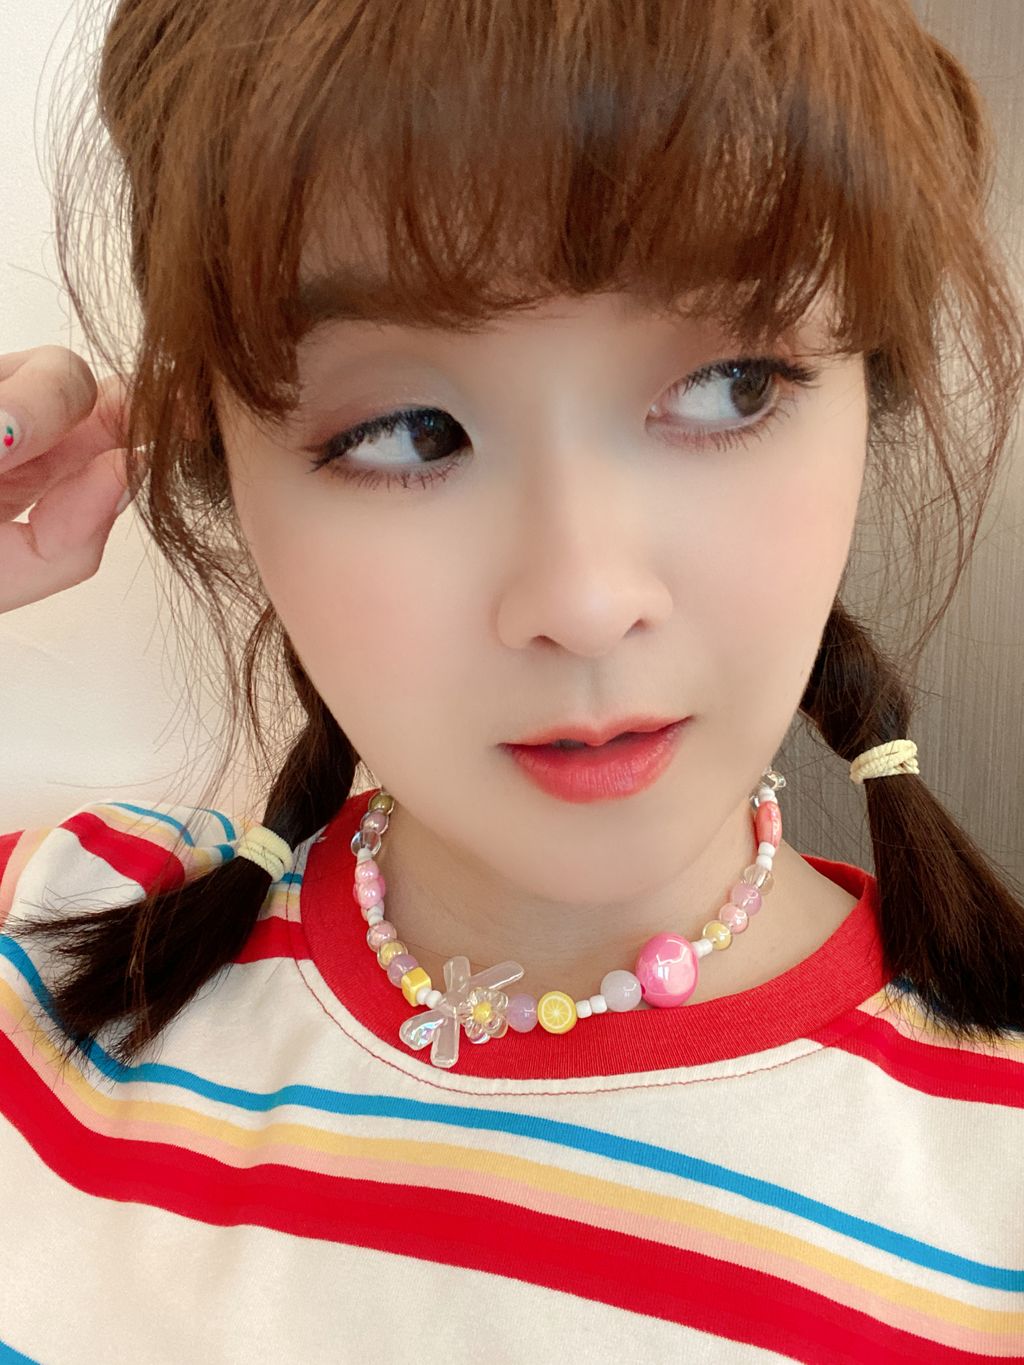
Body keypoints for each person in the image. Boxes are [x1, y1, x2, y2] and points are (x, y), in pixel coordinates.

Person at [1, 0, 1023, 1360]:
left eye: (730, 386)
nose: (585, 599)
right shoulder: (47, 947)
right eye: (409, 429)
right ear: (217, 462)